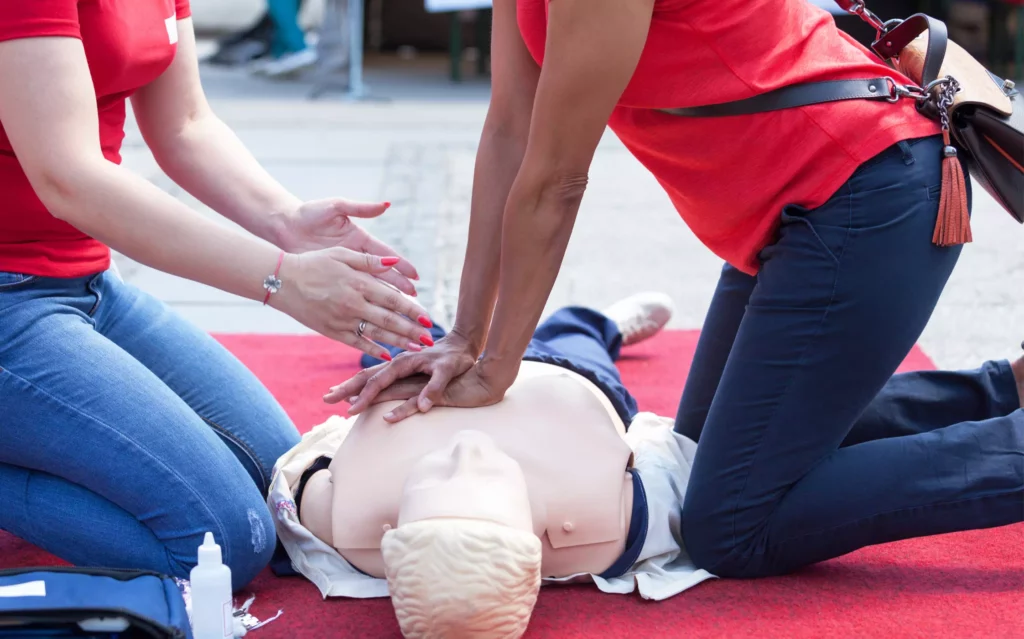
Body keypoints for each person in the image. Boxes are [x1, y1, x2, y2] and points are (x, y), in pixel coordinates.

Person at [335, 0, 1024, 579]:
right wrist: (467, 335)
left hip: (862, 197)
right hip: (797, 211)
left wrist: (497, 366)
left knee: (732, 523)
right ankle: (1007, 392)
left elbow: (556, 180)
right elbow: (510, 131)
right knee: (705, 456)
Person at [0, 1, 433, 590]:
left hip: (86, 283)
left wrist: (288, 224)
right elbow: (67, 178)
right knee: (224, 545)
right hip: (11, 301)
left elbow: (185, 125)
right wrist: (283, 280)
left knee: (279, 479)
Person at [272, 294, 716, 615]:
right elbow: (660, 453)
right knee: (575, 336)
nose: (467, 447)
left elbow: (305, 465)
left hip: (417, 389)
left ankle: (424, 325)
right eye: (485, 474)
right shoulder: (612, 530)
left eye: (440, 473)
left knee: (400, 345)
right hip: (559, 374)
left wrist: (361, 426)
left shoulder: (343, 526)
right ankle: (600, 323)